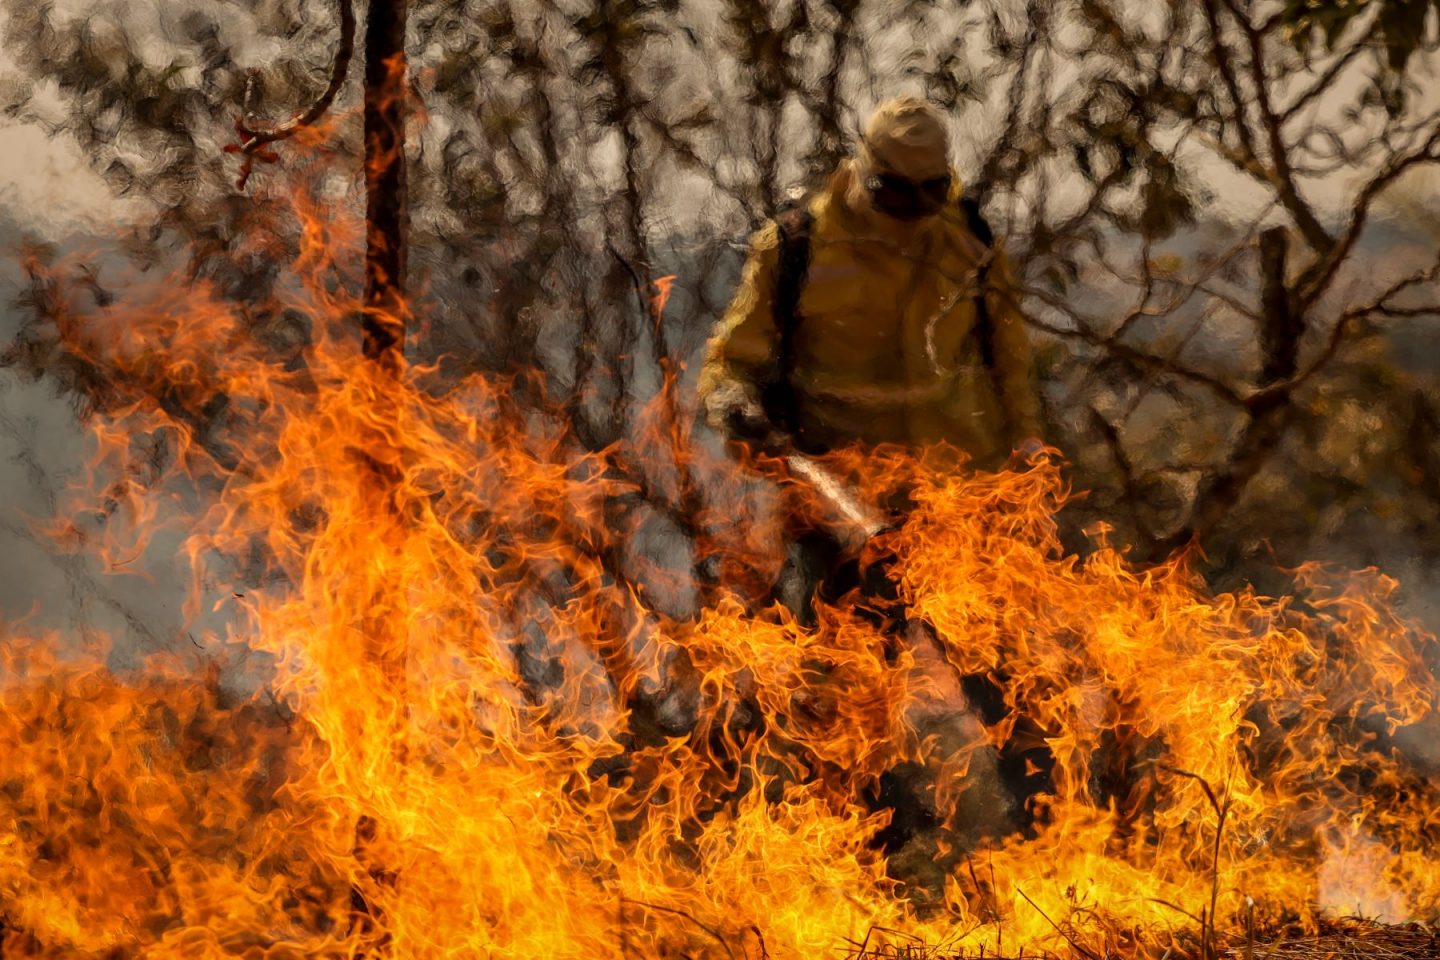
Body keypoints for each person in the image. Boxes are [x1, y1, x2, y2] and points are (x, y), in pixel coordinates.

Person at [696, 96, 1049, 885]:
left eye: (929, 192)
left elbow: (1011, 359)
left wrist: (1027, 451)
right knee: (848, 700)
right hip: (837, 509)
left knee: (1007, 689)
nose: (912, 210)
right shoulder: (797, 246)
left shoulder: (969, 241)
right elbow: (732, 360)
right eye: (897, 193)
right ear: (865, 174)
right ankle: (868, 873)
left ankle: (1056, 858)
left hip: (955, 501)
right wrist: (733, 403)